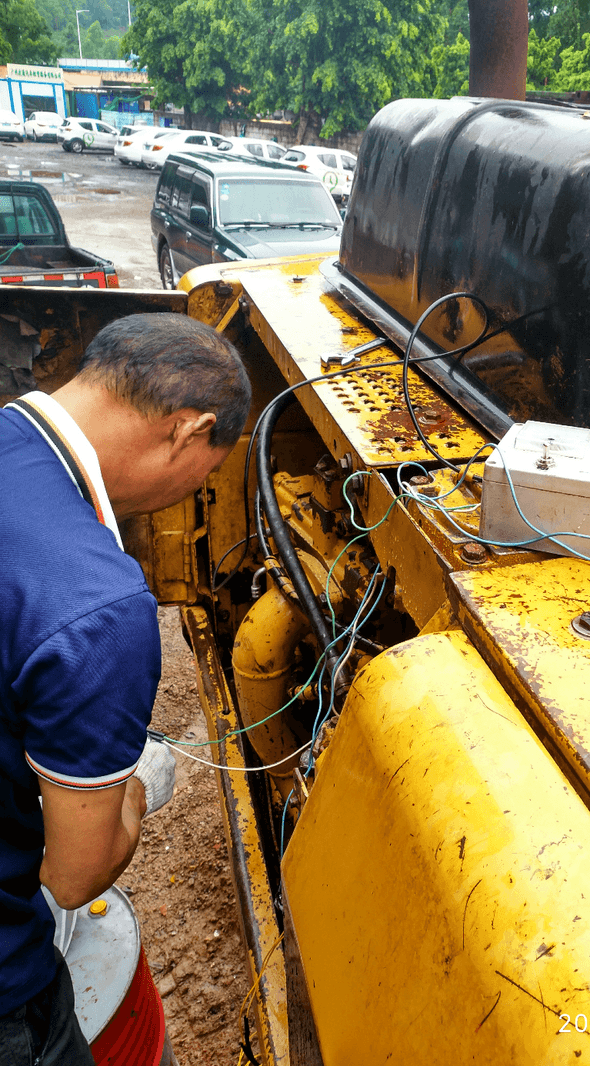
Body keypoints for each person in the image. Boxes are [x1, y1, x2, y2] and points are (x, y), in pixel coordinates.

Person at [0, 313, 251, 1065]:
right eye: (206, 472)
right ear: (187, 430)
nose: (193, 492)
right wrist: (133, 790)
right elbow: (73, 878)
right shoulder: (98, 609)